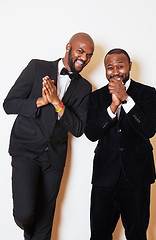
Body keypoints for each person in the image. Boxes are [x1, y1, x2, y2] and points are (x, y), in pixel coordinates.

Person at [3, 32, 94, 240]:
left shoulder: (84, 87)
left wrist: (57, 104)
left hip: (54, 159)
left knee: (45, 222)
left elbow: (78, 128)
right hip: (26, 151)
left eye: (89, 55)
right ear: (68, 46)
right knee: (25, 213)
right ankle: (28, 230)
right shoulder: (37, 67)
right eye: (80, 51)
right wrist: (40, 102)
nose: (84, 58)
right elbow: (9, 104)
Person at [85, 48, 156, 240]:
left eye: (120, 66)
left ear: (129, 66)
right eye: (110, 67)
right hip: (104, 177)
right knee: (99, 234)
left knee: (137, 234)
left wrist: (126, 99)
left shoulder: (147, 93)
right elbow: (91, 133)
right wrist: (113, 107)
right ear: (105, 70)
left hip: (137, 177)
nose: (115, 71)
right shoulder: (96, 97)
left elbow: (149, 130)